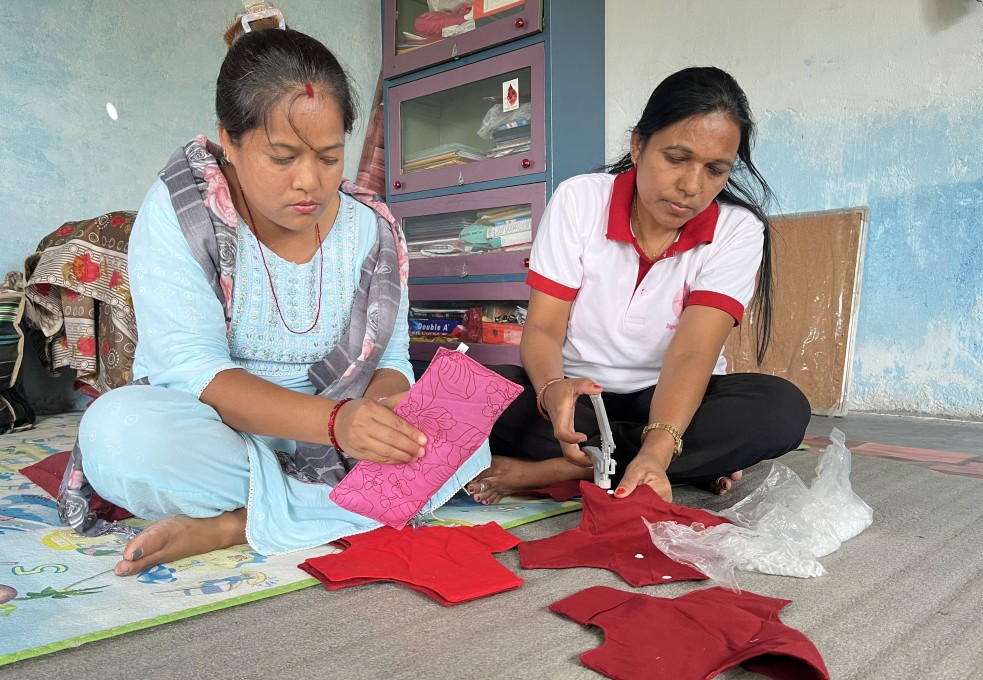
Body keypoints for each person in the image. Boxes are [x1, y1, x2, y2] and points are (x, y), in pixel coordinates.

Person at [57, 6, 490, 576]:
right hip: (221, 431)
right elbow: (192, 370)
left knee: (462, 420)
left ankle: (231, 524)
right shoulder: (184, 213)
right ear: (228, 143)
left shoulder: (373, 229)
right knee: (121, 434)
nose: (310, 180)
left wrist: (384, 411)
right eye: (282, 157)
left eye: (330, 157)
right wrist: (334, 422)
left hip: (346, 433)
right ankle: (348, 508)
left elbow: (388, 361)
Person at [475, 67, 810, 504]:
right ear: (638, 145)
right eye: (676, 158)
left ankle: (561, 470)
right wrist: (551, 388)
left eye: (715, 169)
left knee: (781, 410)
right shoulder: (580, 200)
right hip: (580, 395)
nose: (692, 186)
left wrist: (658, 445)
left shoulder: (737, 230)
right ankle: (674, 464)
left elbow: (692, 352)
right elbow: (542, 328)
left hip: (672, 399)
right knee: (465, 397)